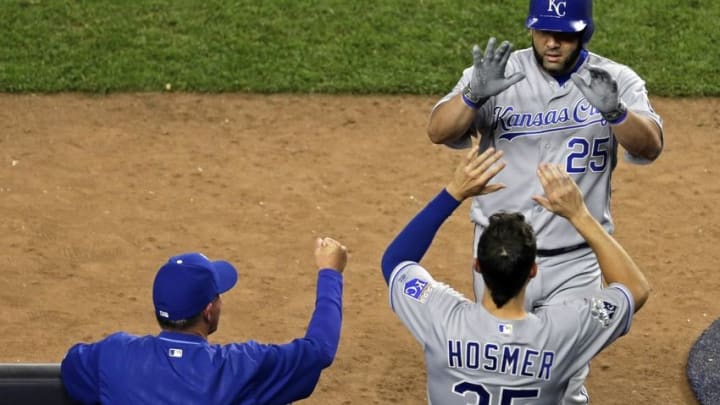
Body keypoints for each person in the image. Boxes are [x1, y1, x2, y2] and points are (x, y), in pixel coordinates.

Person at [426, 0, 663, 309]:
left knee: (568, 357)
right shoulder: (497, 73)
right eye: (543, 31)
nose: (551, 43)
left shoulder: (614, 79)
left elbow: (650, 146)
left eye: (563, 34)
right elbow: (438, 132)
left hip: (576, 260)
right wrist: (473, 95)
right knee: (501, 352)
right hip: (501, 253)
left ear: (584, 33)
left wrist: (616, 113)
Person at [381, 146, 650, 404]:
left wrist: (453, 192)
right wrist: (580, 215)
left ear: (478, 265)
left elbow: (395, 262)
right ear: (533, 271)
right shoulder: (563, 331)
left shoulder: (441, 317)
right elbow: (634, 289)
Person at [60, 238, 347, 405]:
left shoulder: (113, 355)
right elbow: (319, 350)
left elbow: (72, 366)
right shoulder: (240, 368)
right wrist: (330, 272)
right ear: (209, 311)